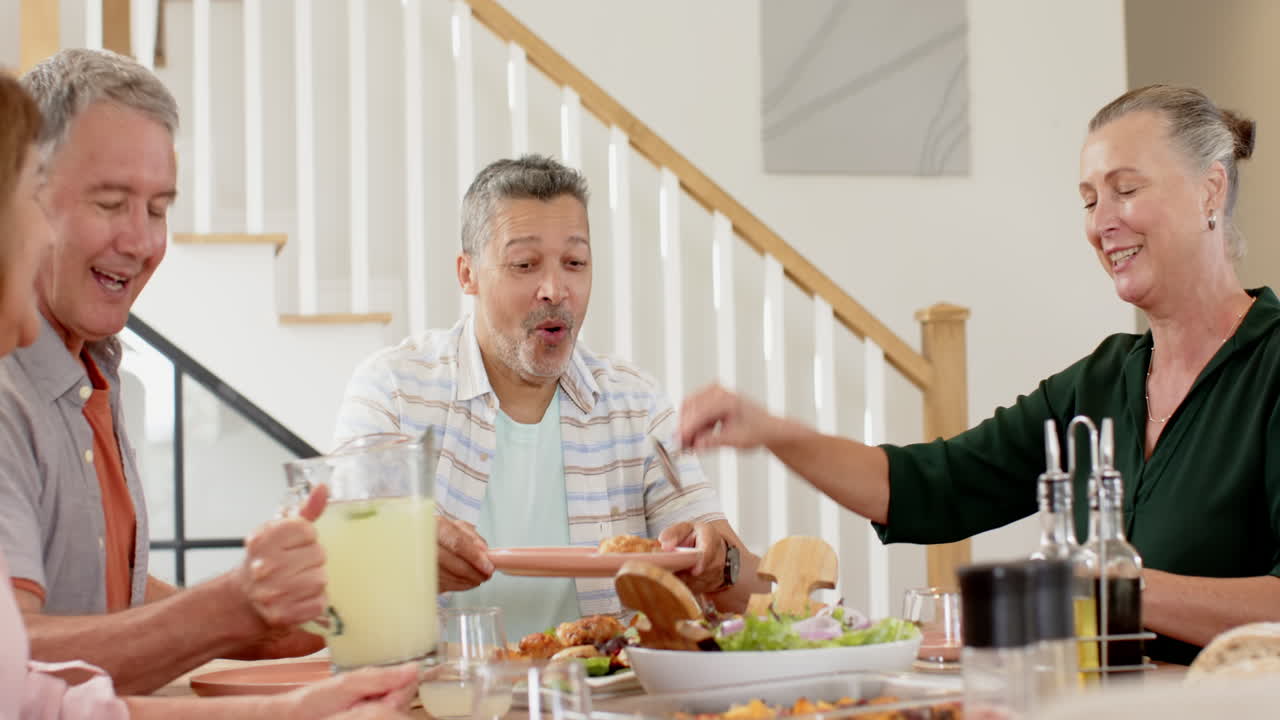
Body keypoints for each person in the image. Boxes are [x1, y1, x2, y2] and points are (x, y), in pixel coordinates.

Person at [678, 85, 1280, 666]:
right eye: (1090, 200)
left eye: (1125, 190)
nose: (1103, 223)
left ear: (1210, 190)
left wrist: (1100, 582)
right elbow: (932, 485)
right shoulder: (1099, 384)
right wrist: (775, 433)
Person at [0, 69, 417, 720]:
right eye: (111, 204)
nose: (140, 241)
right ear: (29, 199)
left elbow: (104, 594)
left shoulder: (98, 369)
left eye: (159, 209)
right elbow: (18, 666)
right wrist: (229, 609)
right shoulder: (9, 392)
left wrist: (268, 619)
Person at [335, 154, 768, 637]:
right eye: (524, 264)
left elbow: (746, 590)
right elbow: (340, 583)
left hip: (604, 698)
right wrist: (401, 556)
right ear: (467, 274)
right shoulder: (393, 389)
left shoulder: (634, 404)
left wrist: (717, 559)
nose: (555, 289)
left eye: (575, 263)